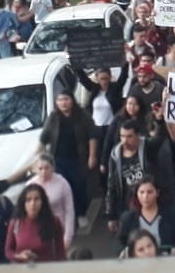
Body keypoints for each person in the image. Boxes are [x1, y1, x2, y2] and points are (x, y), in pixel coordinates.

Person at [38, 90, 97, 226]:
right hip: (58, 159)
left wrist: (92, 156)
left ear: (72, 100)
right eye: (60, 100)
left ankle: (81, 213)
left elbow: (92, 136)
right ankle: (63, 216)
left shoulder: (82, 116)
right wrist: (38, 157)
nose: (63, 103)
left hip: (78, 159)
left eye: (66, 99)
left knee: (79, 187)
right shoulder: (53, 117)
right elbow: (44, 138)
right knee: (61, 188)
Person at [105, 115, 167, 232]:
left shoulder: (148, 147)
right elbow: (111, 185)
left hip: (148, 203)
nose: (125, 140)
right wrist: (111, 215)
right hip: (127, 206)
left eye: (129, 136)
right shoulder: (115, 154)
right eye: (122, 136)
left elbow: (161, 138)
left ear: (138, 135)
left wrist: (160, 120)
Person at [116, 176, 175, 256]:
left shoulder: (171, 214)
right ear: (136, 194)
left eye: (149, 192)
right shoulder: (128, 218)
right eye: (141, 192)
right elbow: (119, 243)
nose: (145, 196)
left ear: (157, 193)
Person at [5, 184, 66, 263]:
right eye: (28, 200)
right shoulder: (15, 223)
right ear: (23, 203)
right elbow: (8, 251)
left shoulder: (54, 222)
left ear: (42, 202)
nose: (33, 204)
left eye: (36, 199)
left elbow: (60, 252)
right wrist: (19, 256)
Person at [26, 154, 75, 250]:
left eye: (46, 168)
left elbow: (69, 210)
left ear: (52, 168)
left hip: (59, 228)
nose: (44, 172)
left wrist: (68, 236)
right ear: (35, 170)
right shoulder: (31, 185)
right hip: (38, 229)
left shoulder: (62, 183)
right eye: (40, 169)